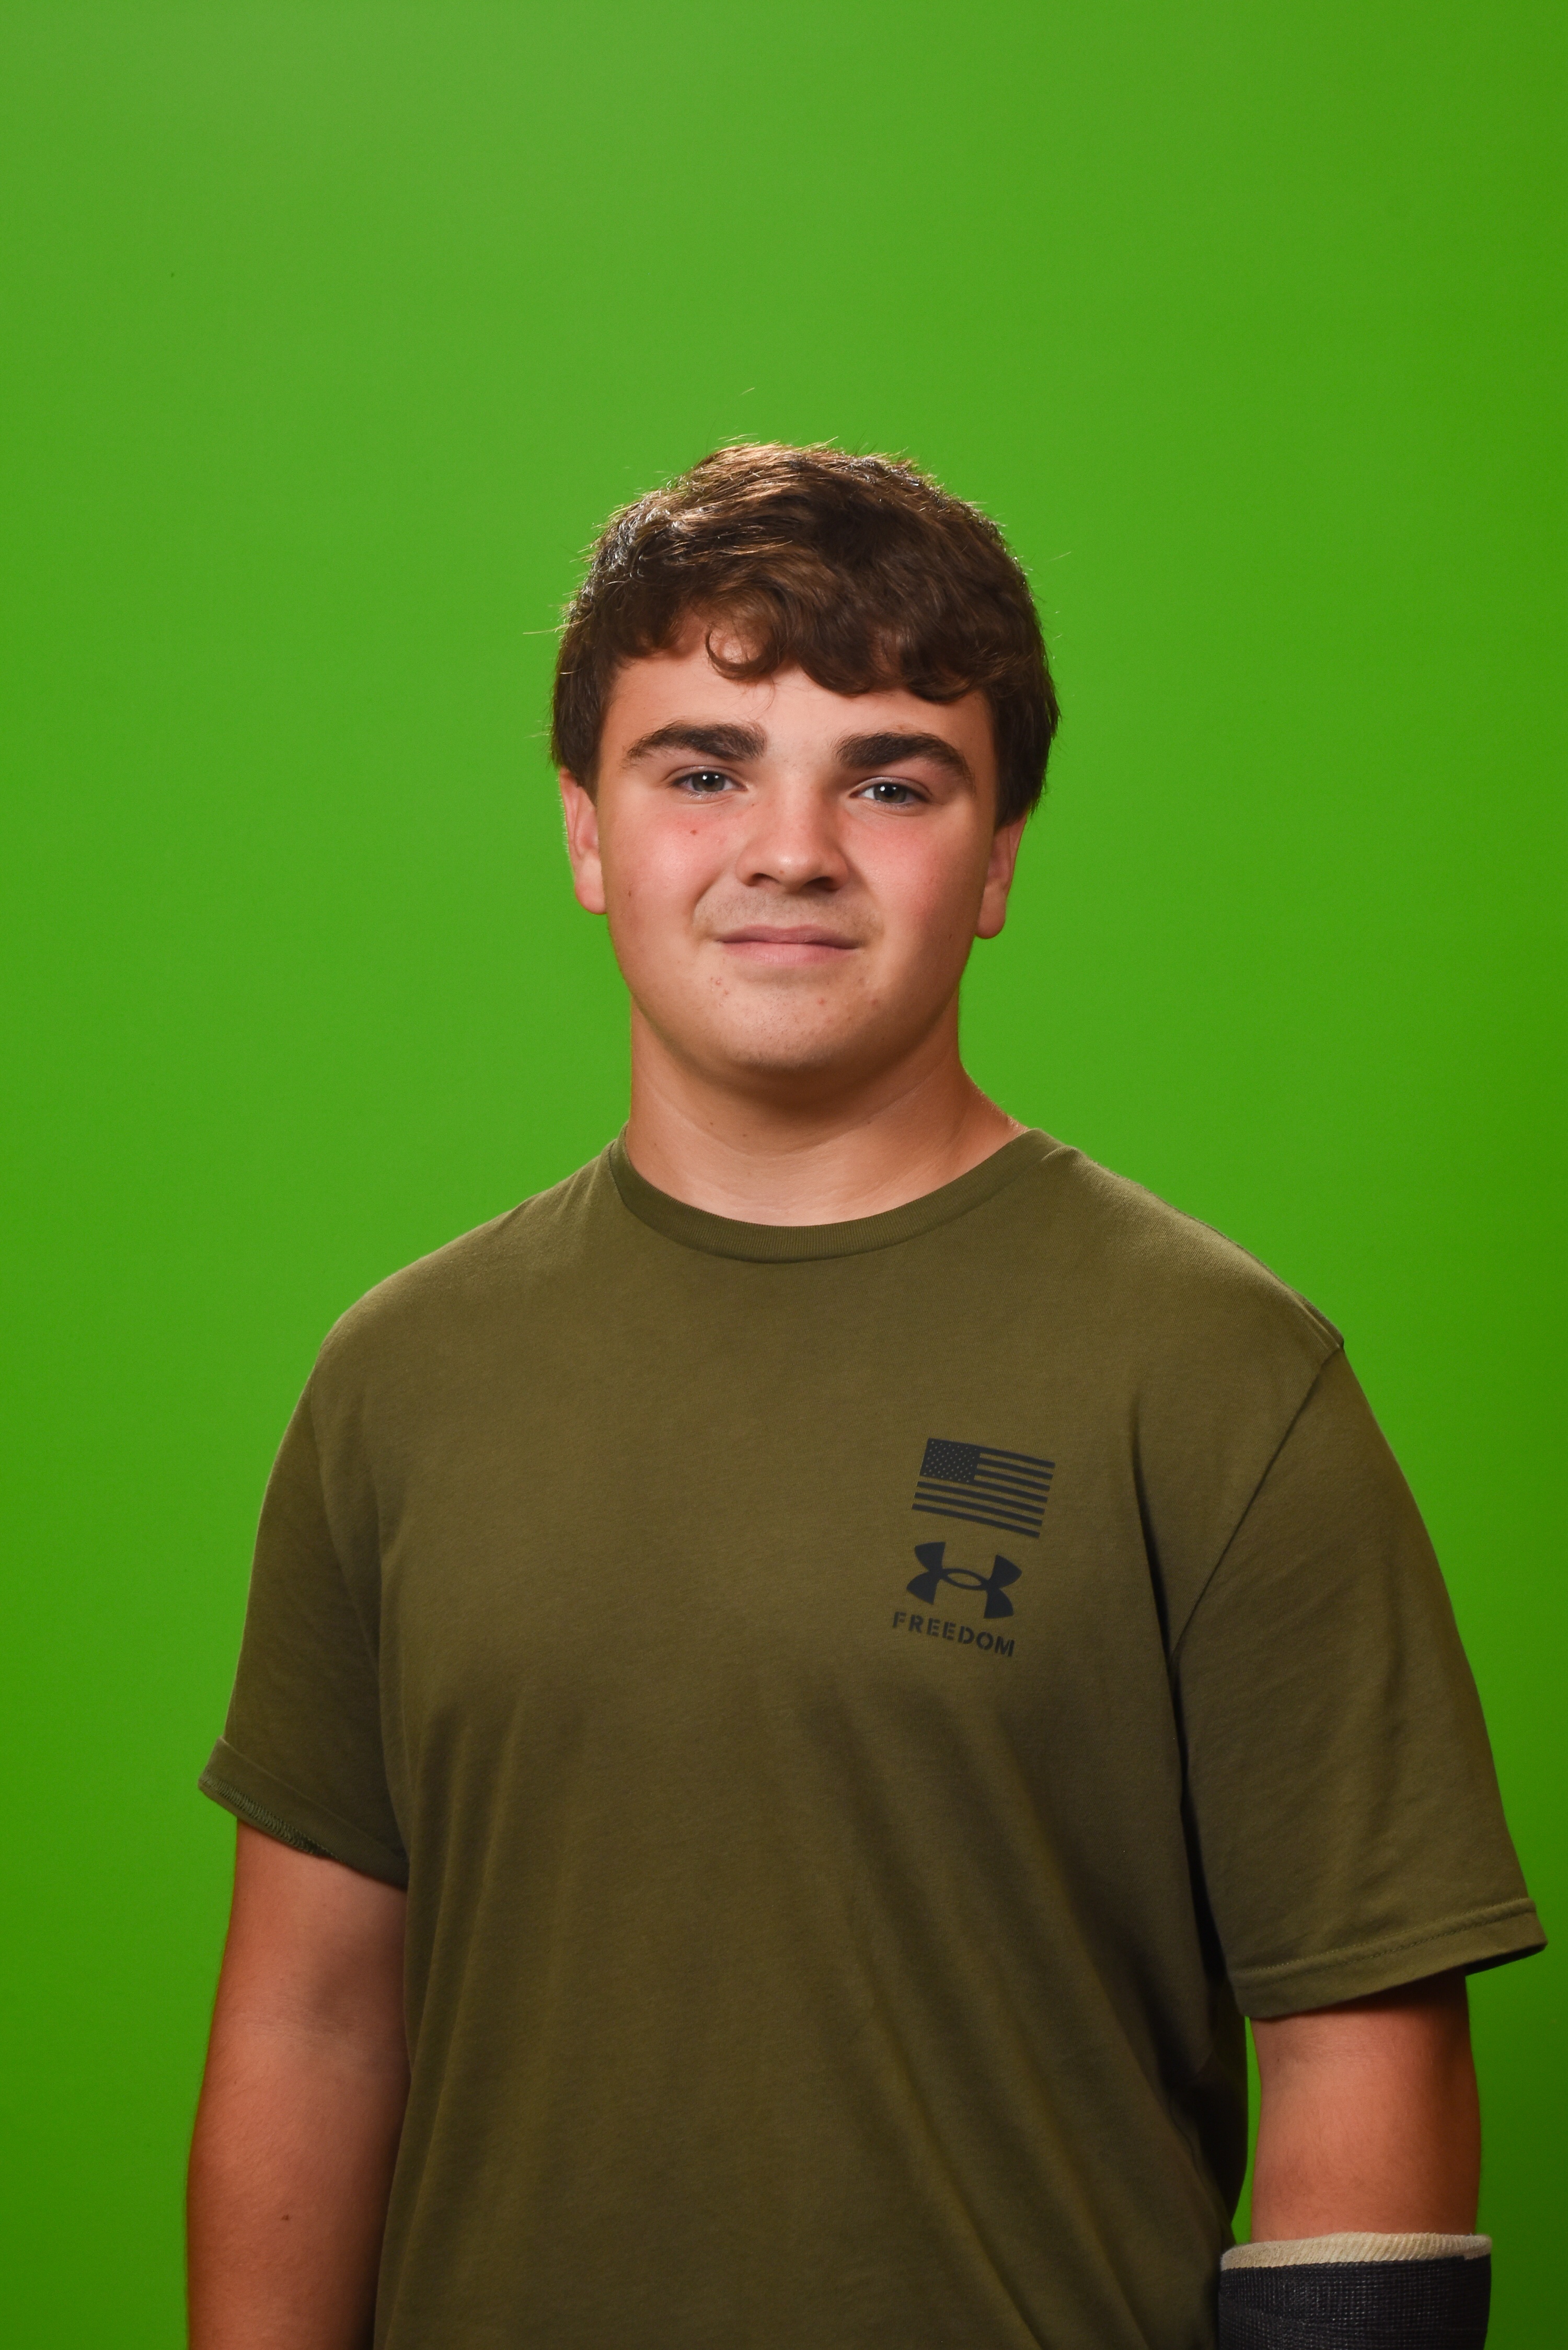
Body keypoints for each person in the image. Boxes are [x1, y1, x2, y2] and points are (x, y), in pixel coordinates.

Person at [188, 443, 1543, 2350]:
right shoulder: (399, 1381)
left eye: (891, 781)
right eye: (704, 769)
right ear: (587, 832)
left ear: (997, 863)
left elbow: (1364, 2048)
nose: (791, 848)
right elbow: (316, 2021)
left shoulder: (1220, 1376)